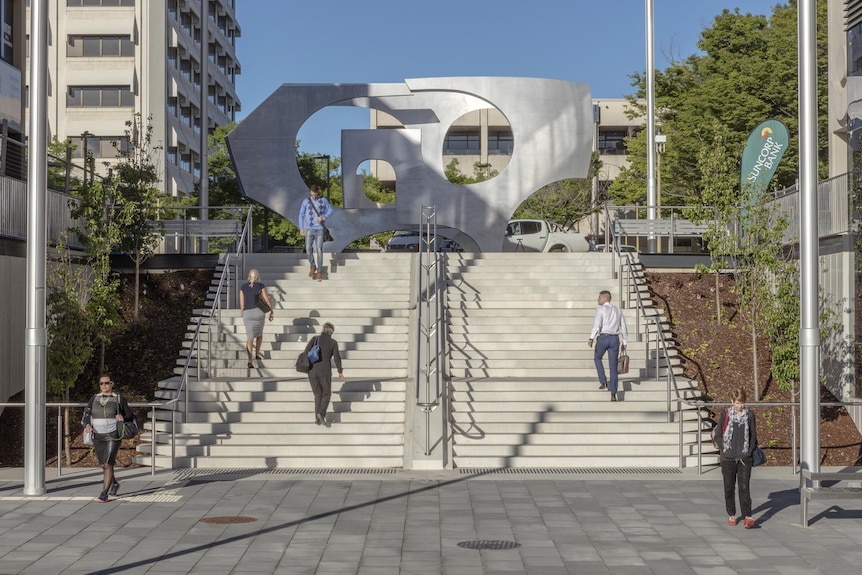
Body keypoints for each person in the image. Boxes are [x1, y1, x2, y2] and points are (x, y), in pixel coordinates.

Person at [81, 374, 136, 503]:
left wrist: (122, 418)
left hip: (113, 434)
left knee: (108, 463)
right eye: (101, 383)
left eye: (107, 383)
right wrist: (87, 424)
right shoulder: (94, 398)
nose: (104, 386)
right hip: (97, 435)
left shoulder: (118, 398)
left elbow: (130, 415)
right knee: (103, 465)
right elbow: (86, 415)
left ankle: (104, 494)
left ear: (112, 383)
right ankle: (114, 484)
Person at [717, 387, 759, 529]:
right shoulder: (725, 414)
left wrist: (749, 450)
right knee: (729, 487)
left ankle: (747, 516)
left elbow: (753, 435)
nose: (740, 406)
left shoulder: (749, 415)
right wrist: (723, 446)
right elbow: (717, 434)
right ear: (732, 401)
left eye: (742, 403)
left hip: (744, 457)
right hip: (728, 458)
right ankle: (731, 514)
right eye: (737, 403)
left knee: (744, 487)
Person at [588, 290, 628, 401]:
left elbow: (597, 324)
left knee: (597, 358)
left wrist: (591, 337)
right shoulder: (618, 310)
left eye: (599, 297)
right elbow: (623, 326)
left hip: (603, 337)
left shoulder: (600, 310)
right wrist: (625, 342)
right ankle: (613, 393)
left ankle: (603, 381)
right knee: (613, 366)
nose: (598, 299)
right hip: (615, 338)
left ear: (605, 298)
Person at [303, 321, 344, 427]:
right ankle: (320, 413)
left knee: (317, 394)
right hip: (325, 371)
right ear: (331, 332)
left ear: (323, 330)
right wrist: (340, 371)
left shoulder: (314, 339)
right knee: (326, 394)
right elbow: (337, 358)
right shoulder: (333, 343)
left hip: (312, 370)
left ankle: (317, 419)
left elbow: (306, 352)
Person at [239, 268, 274, 368]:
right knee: (259, 334)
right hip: (258, 312)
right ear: (257, 276)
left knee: (250, 338)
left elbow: (242, 304)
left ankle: (249, 360)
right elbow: (266, 300)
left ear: (249, 276)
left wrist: (244, 313)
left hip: (247, 313)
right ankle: (257, 355)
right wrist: (271, 311)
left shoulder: (243, 287)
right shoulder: (260, 285)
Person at [299, 184, 334, 282]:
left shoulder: (323, 200)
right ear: (310, 192)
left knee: (319, 249)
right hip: (309, 229)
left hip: (320, 229)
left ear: (318, 192)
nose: (314, 196)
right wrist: (301, 228)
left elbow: (331, 210)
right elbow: (301, 214)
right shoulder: (306, 201)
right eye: (312, 194)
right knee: (308, 249)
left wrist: (324, 217)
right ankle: (312, 266)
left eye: (315, 194)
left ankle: (319, 271)